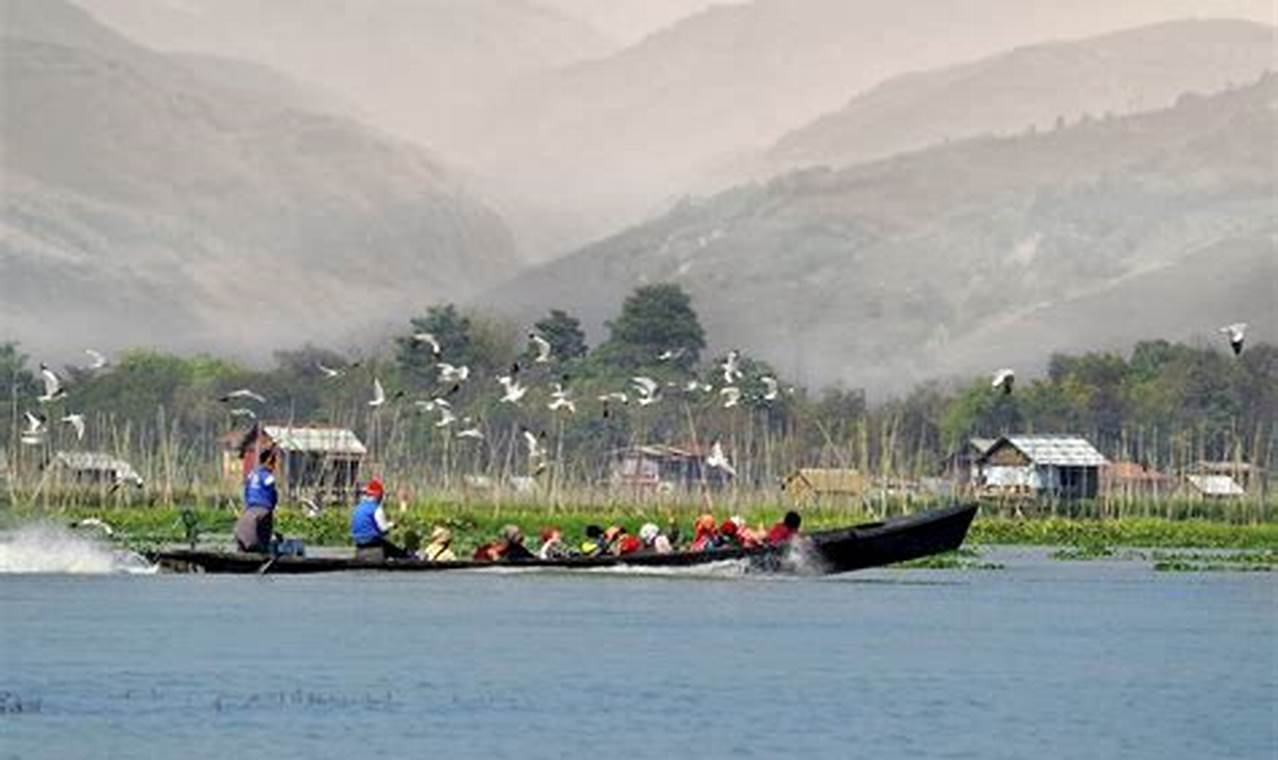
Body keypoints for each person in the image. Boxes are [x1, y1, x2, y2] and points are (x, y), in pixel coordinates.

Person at [350, 479, 408, 560]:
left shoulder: (358, 507)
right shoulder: (376, 508)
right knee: (390, 547)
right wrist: (393, 525)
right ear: (378, 495)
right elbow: (383, 528)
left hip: (359, 542)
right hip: (372, 541)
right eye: (381, 496)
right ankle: (405, 556)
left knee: (385, 543)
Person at [234, 447, 278, 553]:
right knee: (264, 531)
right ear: (268, 463)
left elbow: (246, 491)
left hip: (250, 508)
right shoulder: (267, 476)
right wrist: (272, 504)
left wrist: (247, 505)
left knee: (248, 528)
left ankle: (250, 548)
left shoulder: (252, 474)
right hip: (263, 508)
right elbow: (272, 488)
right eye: (273, 464)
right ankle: (263, 549)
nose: (274, 467)